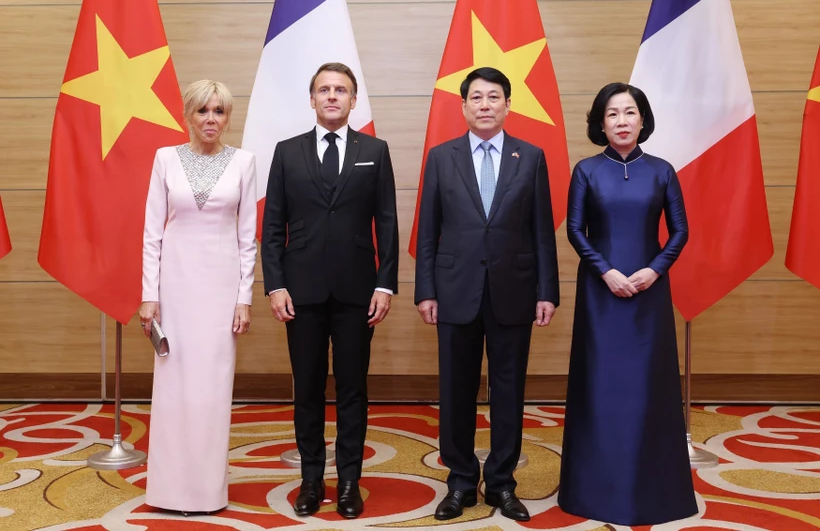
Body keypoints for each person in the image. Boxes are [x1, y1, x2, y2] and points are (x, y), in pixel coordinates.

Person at [414, 67, 559, 522]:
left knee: (509, 392)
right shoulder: (441, 157)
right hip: (454, 291)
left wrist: (547, 291)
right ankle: (460, 482)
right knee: (455, 391)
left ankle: (501, 483)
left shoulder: (530, 157)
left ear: (508, 105)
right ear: (463, 106)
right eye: (476, 97)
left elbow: (542, 230)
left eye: (493, 97)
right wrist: (425, 290)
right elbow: (428, 230)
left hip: (513, 290)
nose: (484, 105)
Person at [261, 62, 399, 519]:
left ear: (354, 100)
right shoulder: (287, 152)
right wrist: (275, 285)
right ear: (312, 99)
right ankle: (311, 480)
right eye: (324, 90)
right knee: (307, 389)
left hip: (358, 291)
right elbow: (273, 225)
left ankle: (350, 483)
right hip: (300, 292)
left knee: (353, 388)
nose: (333, 96)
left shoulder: (374, 150)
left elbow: (387, 222)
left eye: (341, 90)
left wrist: (385, 284)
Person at [558, 83, 698, 525]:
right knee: (601, 385)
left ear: (643, 120)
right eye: (613, 114)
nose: (622, 121)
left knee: (646, 387)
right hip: (601, 292)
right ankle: (593, 487)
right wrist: (606, 271)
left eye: (630, 112)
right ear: (600, 124)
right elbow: (575, 230)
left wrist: (654, 270)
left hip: (649, 293)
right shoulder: (586, 170)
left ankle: (653, 485)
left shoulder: (661, 170)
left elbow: (680, 231)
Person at [140, 80, 257, 514]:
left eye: (219, 111)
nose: (211, 119)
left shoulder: (244, 162)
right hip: (174, 287)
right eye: (203, 111)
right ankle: (168, 491)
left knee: (213, 389)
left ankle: (207, 492)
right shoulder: (165, 158)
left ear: (228, 117)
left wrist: (244, 298)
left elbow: (248, 238)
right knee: (173, 387)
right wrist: (149, 295)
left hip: (221, 290)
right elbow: (152, 233)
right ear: (188, 115)